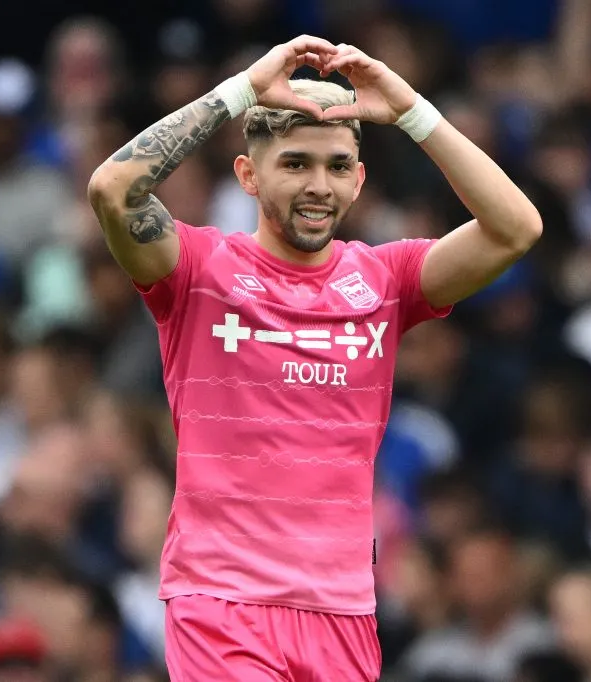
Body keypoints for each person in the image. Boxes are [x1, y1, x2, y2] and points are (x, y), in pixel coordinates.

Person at [87, 34, 543, 681]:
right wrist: (239, 91)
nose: (318, 185)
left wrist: (411, 109)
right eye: (295, 163)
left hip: (344, 609)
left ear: (358, 179)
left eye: (335, 166)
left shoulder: (386, 279)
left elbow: (515, 228)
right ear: (249, 174)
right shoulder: (198, 269)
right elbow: (114, 188)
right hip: (224, 603)